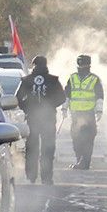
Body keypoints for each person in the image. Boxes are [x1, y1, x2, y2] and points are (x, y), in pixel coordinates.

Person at [14, 55, 66, 184]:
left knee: (32, 148)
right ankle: (46, 178)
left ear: (34, 65)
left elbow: (18, 98)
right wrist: (51, 105)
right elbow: (62, 98)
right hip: (49, 118)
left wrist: (27, 108)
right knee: (48, 148)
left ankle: (31, 177)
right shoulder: (53, 80)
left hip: (32, 118)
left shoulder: (27, 80)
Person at [65, 54, 104, 169]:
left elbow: (100, 96)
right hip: (76, 114)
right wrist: (64, 108)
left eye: (83, 64)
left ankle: (85, 162)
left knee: (88, 138)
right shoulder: (72, 78)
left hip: (88, 114)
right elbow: (67, 94)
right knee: (76, 138)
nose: (81, 67)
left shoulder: (94, 79)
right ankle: (80, 161)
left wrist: (99, 110)